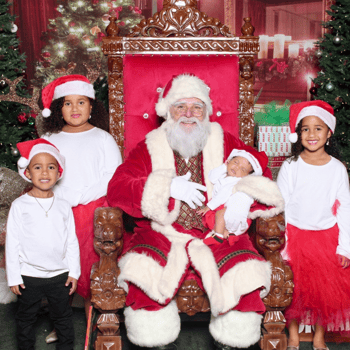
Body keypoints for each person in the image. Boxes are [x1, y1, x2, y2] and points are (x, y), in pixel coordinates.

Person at [107, 74, 284, 350]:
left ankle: (232, 341)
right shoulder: (149, 146)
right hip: (163, 232)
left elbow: (257, 166)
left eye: (197, 107)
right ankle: (156, 342)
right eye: (181, 106)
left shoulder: (223, 140)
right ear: (168, 111)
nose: (189, 115)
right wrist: (166, 188)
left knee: (244, 275)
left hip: (217, 230)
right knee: (145, 276)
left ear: (206, 112)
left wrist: (238, 194)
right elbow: (118, 188)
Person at [39, 75, 122, 341]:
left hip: (93, 212)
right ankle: (59, 325)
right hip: (59, 210)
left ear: (91, 107)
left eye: (82, 102)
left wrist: (82, 194)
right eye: (68, 103)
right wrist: (64, 193)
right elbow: (42, 171)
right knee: (59, 270)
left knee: (91, 270)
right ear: (58, 109)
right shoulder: (51, 138)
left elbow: (113, 176)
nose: (75, 109)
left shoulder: (103, 138)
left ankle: (93, 324)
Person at [277, 100, 350, 350]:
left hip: (327, 238)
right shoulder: (290, 166)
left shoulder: (338, 169)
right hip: (295, 236)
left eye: (318, 128)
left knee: (323, 293)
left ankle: (319, 336)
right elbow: (280, 205)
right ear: (298, 134)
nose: (312, 134)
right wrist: (283, 241)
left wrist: (345, 247)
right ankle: (294, 335)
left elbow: (346, 210)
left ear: (329, 133)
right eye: (306, 129)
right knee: (295, 290)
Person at [6, 138, 80, 350]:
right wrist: (14, 275)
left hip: (59, 275)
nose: (45, 173)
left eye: (51, 167)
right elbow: (13, 243)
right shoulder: (20, 206)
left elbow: (71, 241)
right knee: (25, 318)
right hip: (29, 274)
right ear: (27, 173)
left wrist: (74, 272)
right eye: (38, 167)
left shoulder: (64, 206)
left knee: (63, 318)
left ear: (59, 173)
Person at [199, 147, 268, 246]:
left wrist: (209, 206)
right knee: (213, 218)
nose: (236, 168)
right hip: (222, 208)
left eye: (242, 169)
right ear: (229, 160)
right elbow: (211, 177)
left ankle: (218, 236)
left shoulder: (235, 181)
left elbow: (223, 195)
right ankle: (229, 235)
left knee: (219, 214)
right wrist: (224, 166)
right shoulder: (223, 175)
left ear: (245, 176)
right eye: (236, 162)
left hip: (229, 210)